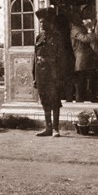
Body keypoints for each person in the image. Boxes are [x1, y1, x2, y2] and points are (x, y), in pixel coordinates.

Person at [34, 8, 66, 137]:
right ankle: (48, 128)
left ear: (50, 22)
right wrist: (34, 77)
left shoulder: (57, 36)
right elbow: (34, 58)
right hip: (41, 75)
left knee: (54, 101)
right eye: (41, 22)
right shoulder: (39, 37)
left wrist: (60, 76)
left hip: (53, 74)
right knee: (45, 100)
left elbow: (62, 58)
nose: (42, 25)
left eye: (44, 22)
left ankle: (56, 129)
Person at [70, 12, 98, 102]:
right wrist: (91, 31)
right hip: (81, 59)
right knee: (81, 80)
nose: (81, 19)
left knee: (91, 78)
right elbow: (86, 39)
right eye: (79, 17)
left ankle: (91, 97)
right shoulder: (74, 30)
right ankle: (80, 99)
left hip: (88, 58)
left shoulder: (80, 28)